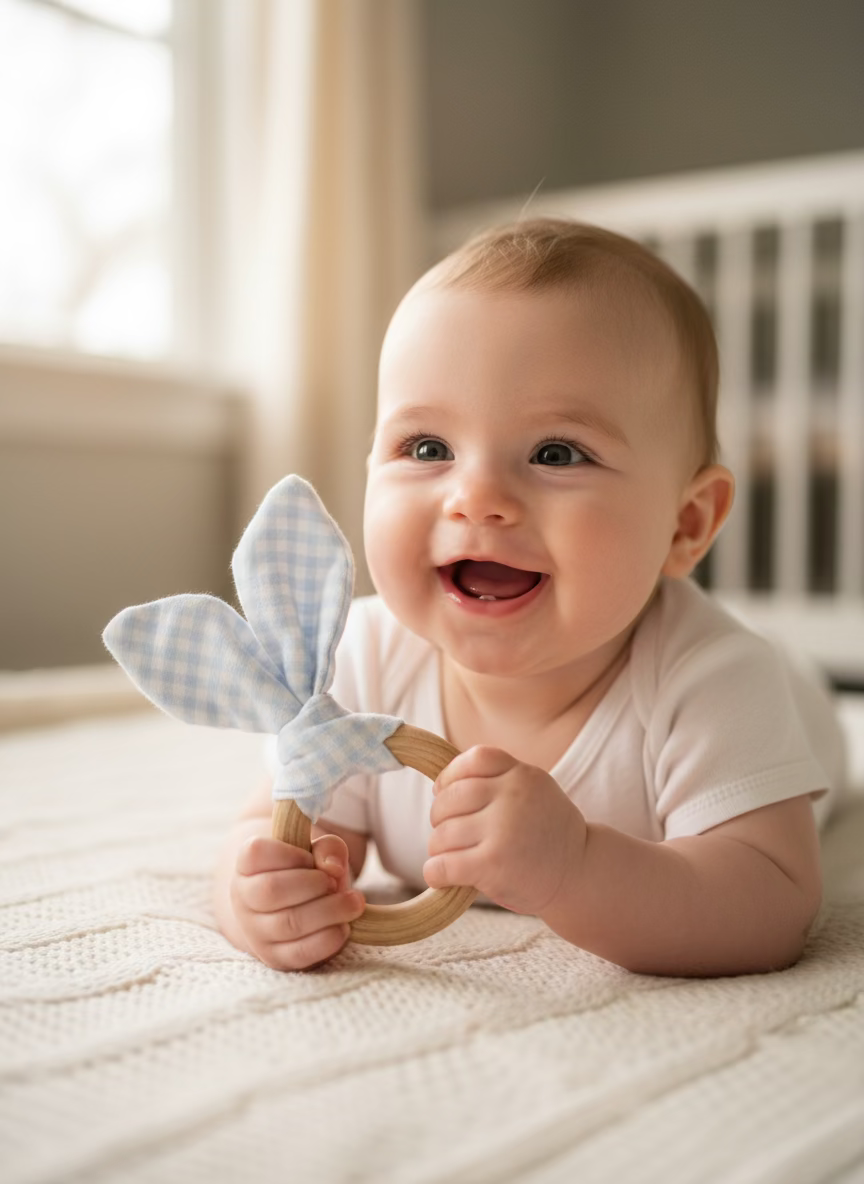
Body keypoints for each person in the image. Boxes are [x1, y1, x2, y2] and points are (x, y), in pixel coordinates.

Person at [213, 218, 845, 977]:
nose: (476, 497)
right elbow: (279, 827)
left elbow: (769, 907)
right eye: (427, 448)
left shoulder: (717, 680)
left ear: (686, 523)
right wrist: (262, 895)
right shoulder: (360, 659)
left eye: (555, 453)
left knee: (803, 696)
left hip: (802, 711)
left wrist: (575, 868)